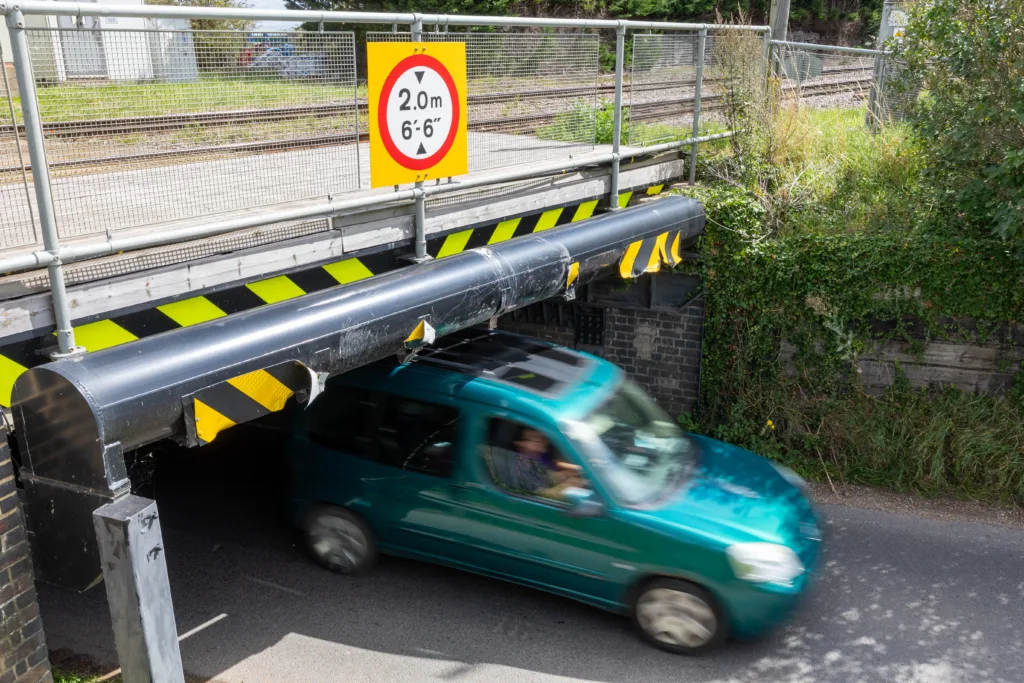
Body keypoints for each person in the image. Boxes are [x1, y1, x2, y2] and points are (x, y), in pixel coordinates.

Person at [510, 428, 586, 501]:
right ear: (521, 443)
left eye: (542, 438)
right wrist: (569, 486)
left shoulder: (540, 456)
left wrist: (574, 474)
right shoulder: (520, 467)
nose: (542, 441)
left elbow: (549, 476)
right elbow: (543, 494)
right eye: (534, 438)